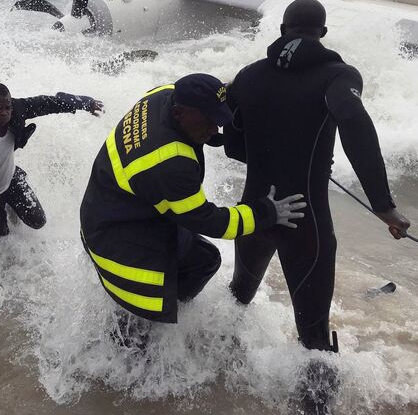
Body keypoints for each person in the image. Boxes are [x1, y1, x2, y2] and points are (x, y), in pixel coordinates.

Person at [223, 0, 411, 412]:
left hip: (254, 211)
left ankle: (221, 375)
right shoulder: (338, 75)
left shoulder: (248, 75)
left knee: (238, 296)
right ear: (322, 34)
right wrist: (382, 204)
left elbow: (232, 141)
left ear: (282, 30)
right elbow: (356, 125)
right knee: (313, 336)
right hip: (304, 219)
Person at [80, 74, 306, 325]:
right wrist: (266, 212)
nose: (215, 129)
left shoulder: (163, 93)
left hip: (109, 206)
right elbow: (211, 222)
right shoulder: (169, 164)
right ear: (179, 114)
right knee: (140, 333)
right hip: (119, 240)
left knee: (204, 259)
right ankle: (145, 331)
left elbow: (216, 106)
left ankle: (163, 317)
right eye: (209, 121)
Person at [0, 83, 104, 236]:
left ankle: (14, 196)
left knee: (38, 221)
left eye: (7, 107)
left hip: (11, 179)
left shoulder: (17, 109)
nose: (4, 113)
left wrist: (86, 103)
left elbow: (47, 103)